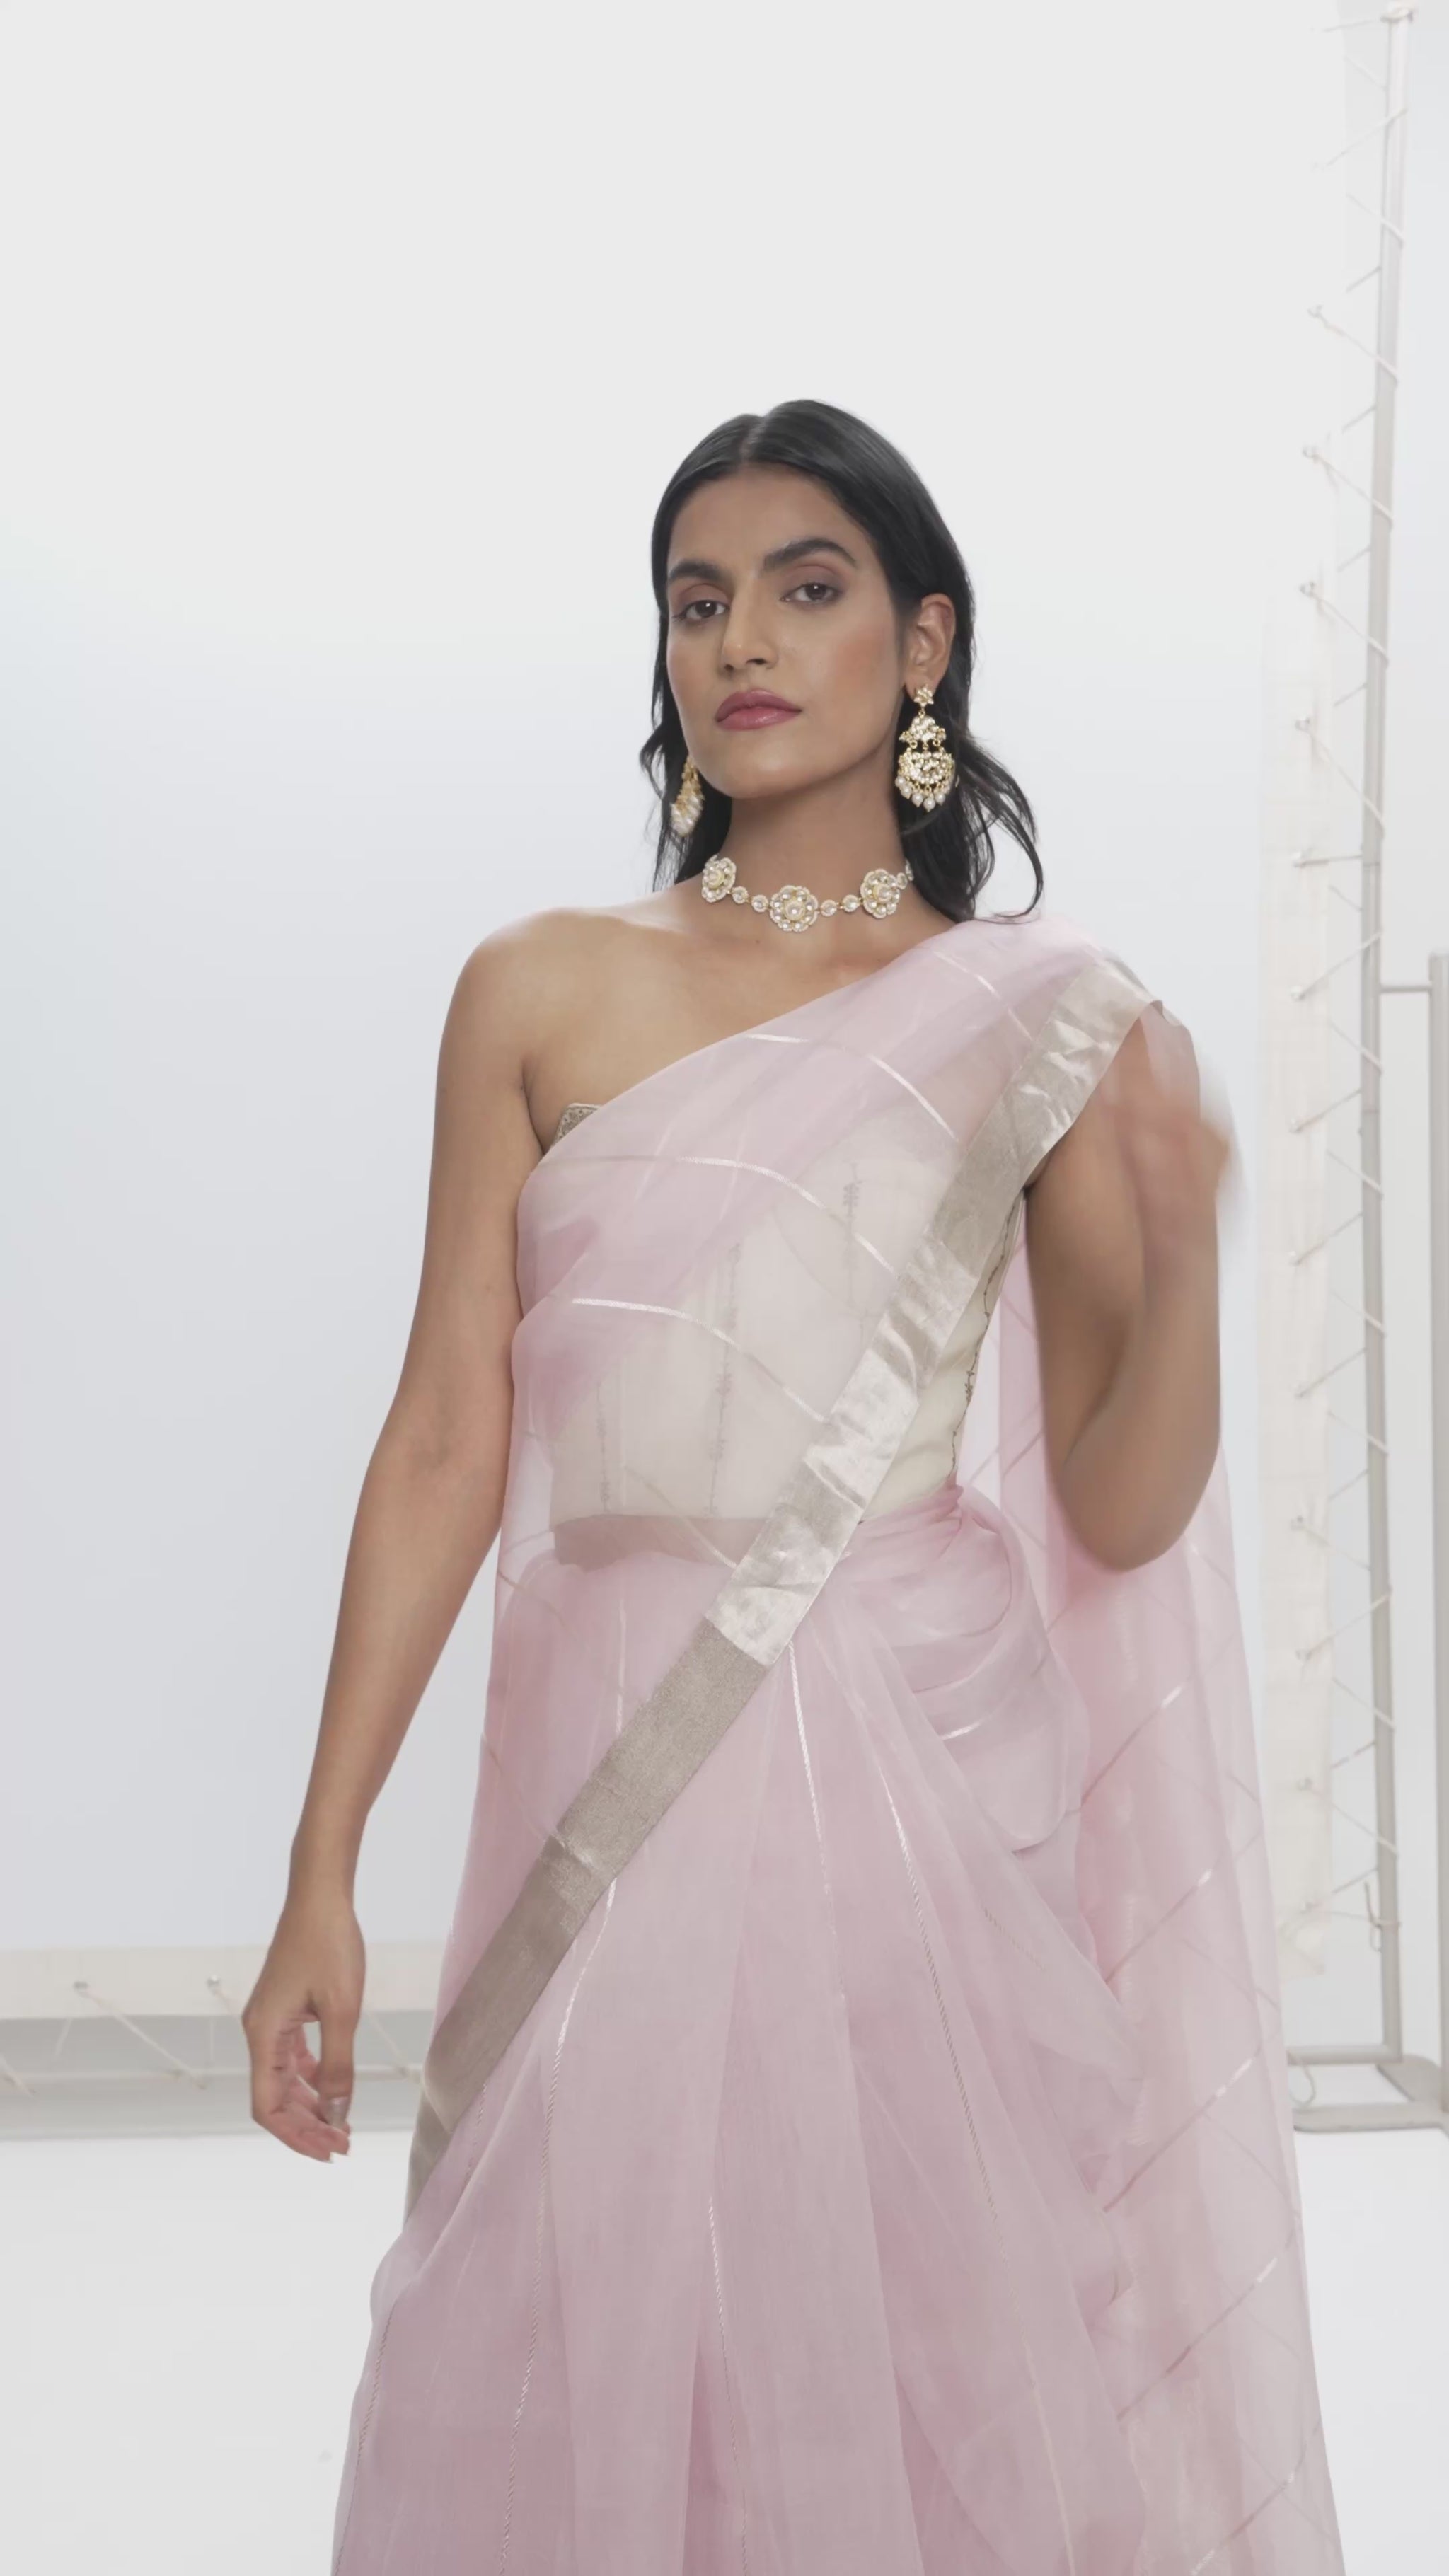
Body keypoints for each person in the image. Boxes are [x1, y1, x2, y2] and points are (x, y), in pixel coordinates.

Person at [244, 400, 1344, 2573]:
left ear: (924, 642)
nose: (741, 638)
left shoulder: (1041, 1020)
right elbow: (448, 1433)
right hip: (610, 1761)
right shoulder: (541, 988)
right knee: (564, 2310)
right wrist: (320, 1865)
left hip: (920, 1782)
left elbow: (1123, 1503)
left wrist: (1185, 1257)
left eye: (806, 588)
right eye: (698, 598)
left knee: (918, 2344)